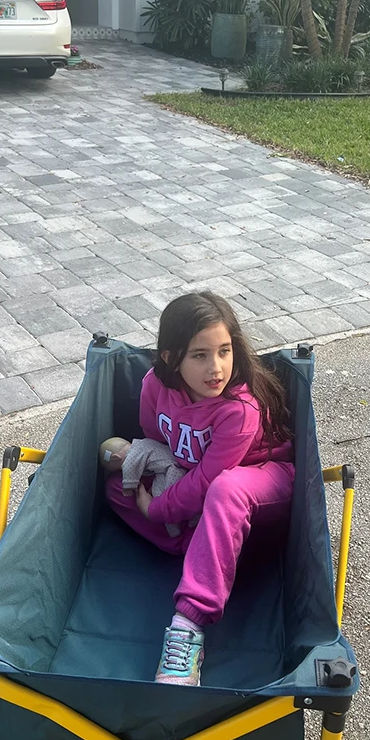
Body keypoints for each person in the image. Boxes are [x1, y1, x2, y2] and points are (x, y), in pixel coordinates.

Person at [105, 291, 294, 687]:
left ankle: (188, 625)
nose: (217, 368)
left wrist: (157, 509)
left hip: (260, 479)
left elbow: (209, 481)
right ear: (172, 357)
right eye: (200, 355)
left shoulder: (239, 408)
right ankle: (200, 547)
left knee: (224, 490)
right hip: (196, 489)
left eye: (225, 351)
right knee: (114, 488)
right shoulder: (155, 385)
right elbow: (156, 441)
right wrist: (142, 473)